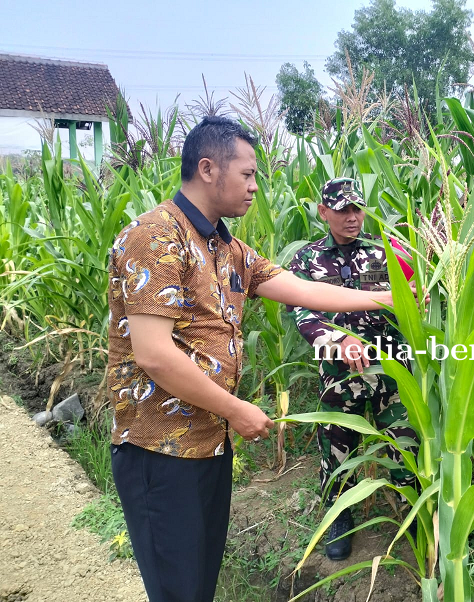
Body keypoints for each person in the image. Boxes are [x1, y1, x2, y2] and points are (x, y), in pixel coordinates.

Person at [106, 117, 410, 602]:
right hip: (160, 451)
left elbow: (304, 290)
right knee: (177, 588)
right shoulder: (156, 238)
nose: (254, 187)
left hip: (208, 442)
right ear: (208, 169)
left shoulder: (227, 247)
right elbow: (154, 354)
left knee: (198, 583)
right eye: (246, 175)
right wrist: (236, 408)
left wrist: (390, 300)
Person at [287, 177, 418, 561]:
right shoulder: (308, 259)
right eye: (342, 209)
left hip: (392, 370)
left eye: (357, 208)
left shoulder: (384, 252)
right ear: (323, 212)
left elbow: (411, 294)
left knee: (405, 443)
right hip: (341, 375)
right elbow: (303, 312)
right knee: (337, 447)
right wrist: (338, 340)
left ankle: (412, 509)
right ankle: (339, 515)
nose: (352, 217)